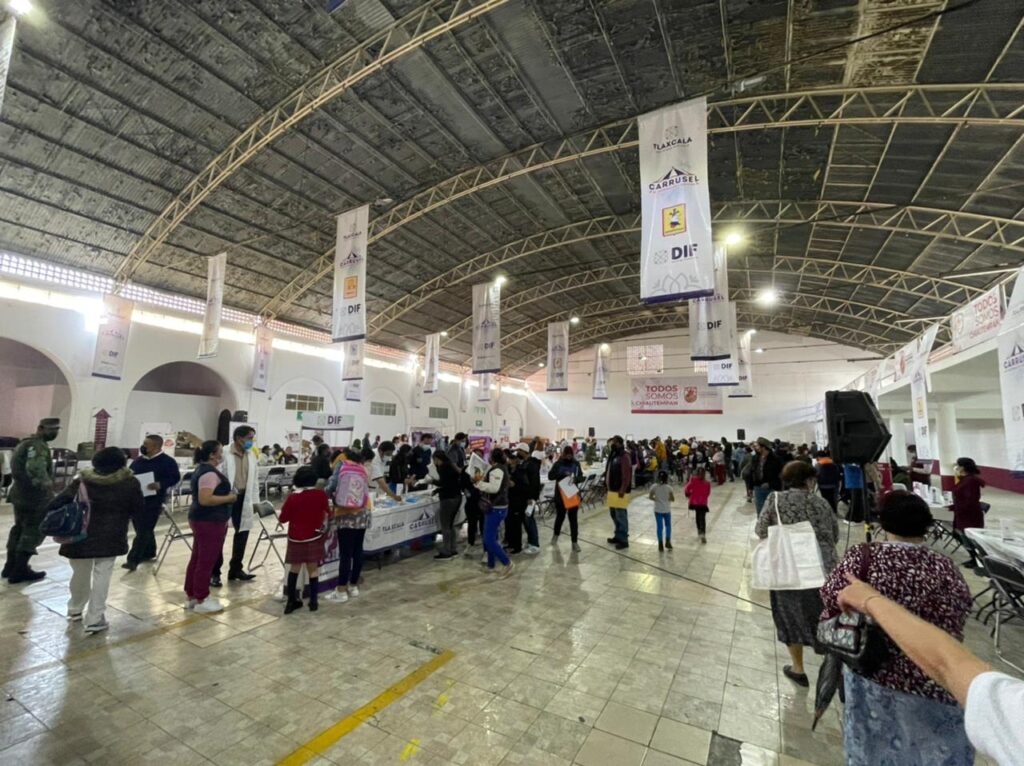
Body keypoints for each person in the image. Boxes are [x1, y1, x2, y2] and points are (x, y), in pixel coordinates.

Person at [820, 491, 973, 765]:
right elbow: (960, 611)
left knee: (873, 749)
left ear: (883, 522)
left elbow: (832, 596)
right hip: (934, 674)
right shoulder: (946, 568)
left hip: (873, 670)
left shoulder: (864, 558)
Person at [836, 575, 1024, 766]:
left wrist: (871, 600)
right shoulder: (948, 573)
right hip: (934, 695)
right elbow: (948, 661)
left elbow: (948, 665)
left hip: (882, 681)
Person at [755, 460, 838, 687]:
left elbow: (760, 530)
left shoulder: (775, 499)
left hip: (789, 569)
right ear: (810, 480)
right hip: (821, 569)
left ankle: (798, 668)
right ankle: (833, 669)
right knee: (825, 618)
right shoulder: (821, 503)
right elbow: (834, 534)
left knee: (789, 618)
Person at [48, 447, 143, 633]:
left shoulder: (82, 481)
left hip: (79, 535)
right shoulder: (129, 483)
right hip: (110, 536)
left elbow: (57, 502)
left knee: (79, 573)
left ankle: (75, 609)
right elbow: (138, 508)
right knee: (102, 575)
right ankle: (95, 618)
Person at [4, 417, 60, 583]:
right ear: (40, 428)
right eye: (51, 429)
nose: (54, 433)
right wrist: (49, 489)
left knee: (19, 529)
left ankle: (10, 566)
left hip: (20, 495)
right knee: (33, 531)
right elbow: (35, 468)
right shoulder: (37, 446)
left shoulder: (25, 443)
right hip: (35, 498)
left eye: (57, 429)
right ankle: (20, 570)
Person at [185, 440, 236, 614]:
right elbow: (205, 499)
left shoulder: (202, 470)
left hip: (202, 519)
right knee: (206, 560)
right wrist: (229, 498)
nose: (222, 454)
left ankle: (192, 594)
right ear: (212, 455)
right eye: (220, 451)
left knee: (198, 557)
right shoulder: (209, 474)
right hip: (210, 521)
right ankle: (202, 598)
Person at [124, 434, 181, 571]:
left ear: (155, 446)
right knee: (141, 528)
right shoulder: (138, 461)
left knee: (144, 529)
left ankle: (133, 559)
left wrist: (161, 484)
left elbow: (175, 478)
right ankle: (149, 551)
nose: (143, 446)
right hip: (137, 499)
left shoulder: (167, 462)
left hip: (154, 501)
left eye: (146, 444)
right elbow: (129, 475)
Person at [212, 426, 259, 586]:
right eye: (249, 438)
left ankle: (236, 569)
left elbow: (255, 480)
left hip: (244, 498)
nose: (251, 441)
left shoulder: (251, 455)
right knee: (219, 535)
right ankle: (215, 573)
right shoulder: (224, 453)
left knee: (242, 533)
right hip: (226, 498)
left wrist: (255, 501)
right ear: (239, 438)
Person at [279, 466, 329, 614]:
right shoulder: (321, 495)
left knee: (294, 569)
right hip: (314, 536)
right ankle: (313, 602)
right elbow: (328, 512)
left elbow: (283, 519)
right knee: (313, 570)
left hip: (296, 538)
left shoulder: (293, 497)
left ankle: (291, 602)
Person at [325, 448, 371, 603]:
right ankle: (353, 586)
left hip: (345, 513)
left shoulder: (342, 464)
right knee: (358, 550)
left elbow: (331, 486)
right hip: (363, 512)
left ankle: (341, 590)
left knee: (345, 553)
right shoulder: (362, 468)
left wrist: (325, 493)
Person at [474, 447, 515, 578]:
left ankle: (507, 563)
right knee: (491, 537)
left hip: (497, 508)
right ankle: (491, 565)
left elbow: (494, 488)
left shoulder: (497, 470)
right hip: (496, 507)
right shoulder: (500, 468)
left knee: (489, 539)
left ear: (492, 457)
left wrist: (479, 484)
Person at [951, 457, 986, 567]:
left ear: (963, 467)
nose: (956, 467)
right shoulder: (965, 479)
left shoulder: (971, 480)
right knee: (958, 534)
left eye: (958, 465)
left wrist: (960, 508)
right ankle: (974, 557)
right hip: (961, 512)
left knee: (968, 537)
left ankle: (977, 559)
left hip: (969, 514)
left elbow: (970, 499)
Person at [549, 445, 584, 552]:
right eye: (567, 455)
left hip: (572, 494)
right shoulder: (558, 464)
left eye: (570, 455)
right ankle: (555, 535)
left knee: (573, 519)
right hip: (560, 495)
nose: (569, 457)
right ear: (563, 454)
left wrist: (575, 479)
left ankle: (574, 542)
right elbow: (550, 476)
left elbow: (581, 477)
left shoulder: (576, 464)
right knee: (560, 517)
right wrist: (561, 474)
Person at [432, 451, 462, 560]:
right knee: (451, 524)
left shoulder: (443, 468)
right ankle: (453, 548)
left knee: (445, 526)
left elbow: (444, 484)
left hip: (448, 499)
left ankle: (446, 551)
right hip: (457, 497)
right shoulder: (452, 466)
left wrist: (432, 481)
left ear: (437, 459)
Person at [605, 435, 633, 549]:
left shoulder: (624, 456)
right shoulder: (614, 455)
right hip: (612, 489)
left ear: (620, 443)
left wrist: (623, 489)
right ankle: (618, 535)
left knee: (620, 515)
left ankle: (624, 539)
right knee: (613, 514)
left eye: (614, 442)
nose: (612, 444)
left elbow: (626, 475)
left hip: (620, 490)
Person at [517, 443, 542, 554]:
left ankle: (535, 544)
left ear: (523, 451)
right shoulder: (525, 463)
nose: (517, 453)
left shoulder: (532, 465)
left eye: (519, 451)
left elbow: (534, 483)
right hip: (524, 497)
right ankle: (530, 541)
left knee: (529, 520)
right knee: (526, 520)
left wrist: (531, 497)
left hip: (529, 498)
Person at [751, 437, 783, 514]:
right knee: (760, 511)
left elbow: (780, 475)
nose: (756, 447)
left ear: (763, 447)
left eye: (757, 446)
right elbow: (752, 472)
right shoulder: (755, 458)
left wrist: (770, 484)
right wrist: (750, 487)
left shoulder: (776, 459)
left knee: (772, 511)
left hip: (772, 488)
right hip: (758, 487)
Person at [683, 466, 711, 544]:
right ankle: (703, 533)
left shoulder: (693, 480)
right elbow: (708, 493)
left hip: (695, 502)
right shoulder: (707, 483)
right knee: (703, 518)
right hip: (703, 503)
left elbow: (687, 488)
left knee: (698, 516)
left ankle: (699, 531)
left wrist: (689, 494)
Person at [649, 470, 674, 551]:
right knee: (668, 526)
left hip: (657, 510)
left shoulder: (654, 487)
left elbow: (650, 497)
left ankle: (660, 544)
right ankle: (668, 541)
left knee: (659, 527)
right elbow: (672, 499)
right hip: (667, 510)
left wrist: (657, 499)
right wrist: (667, 499)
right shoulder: (669, 488)